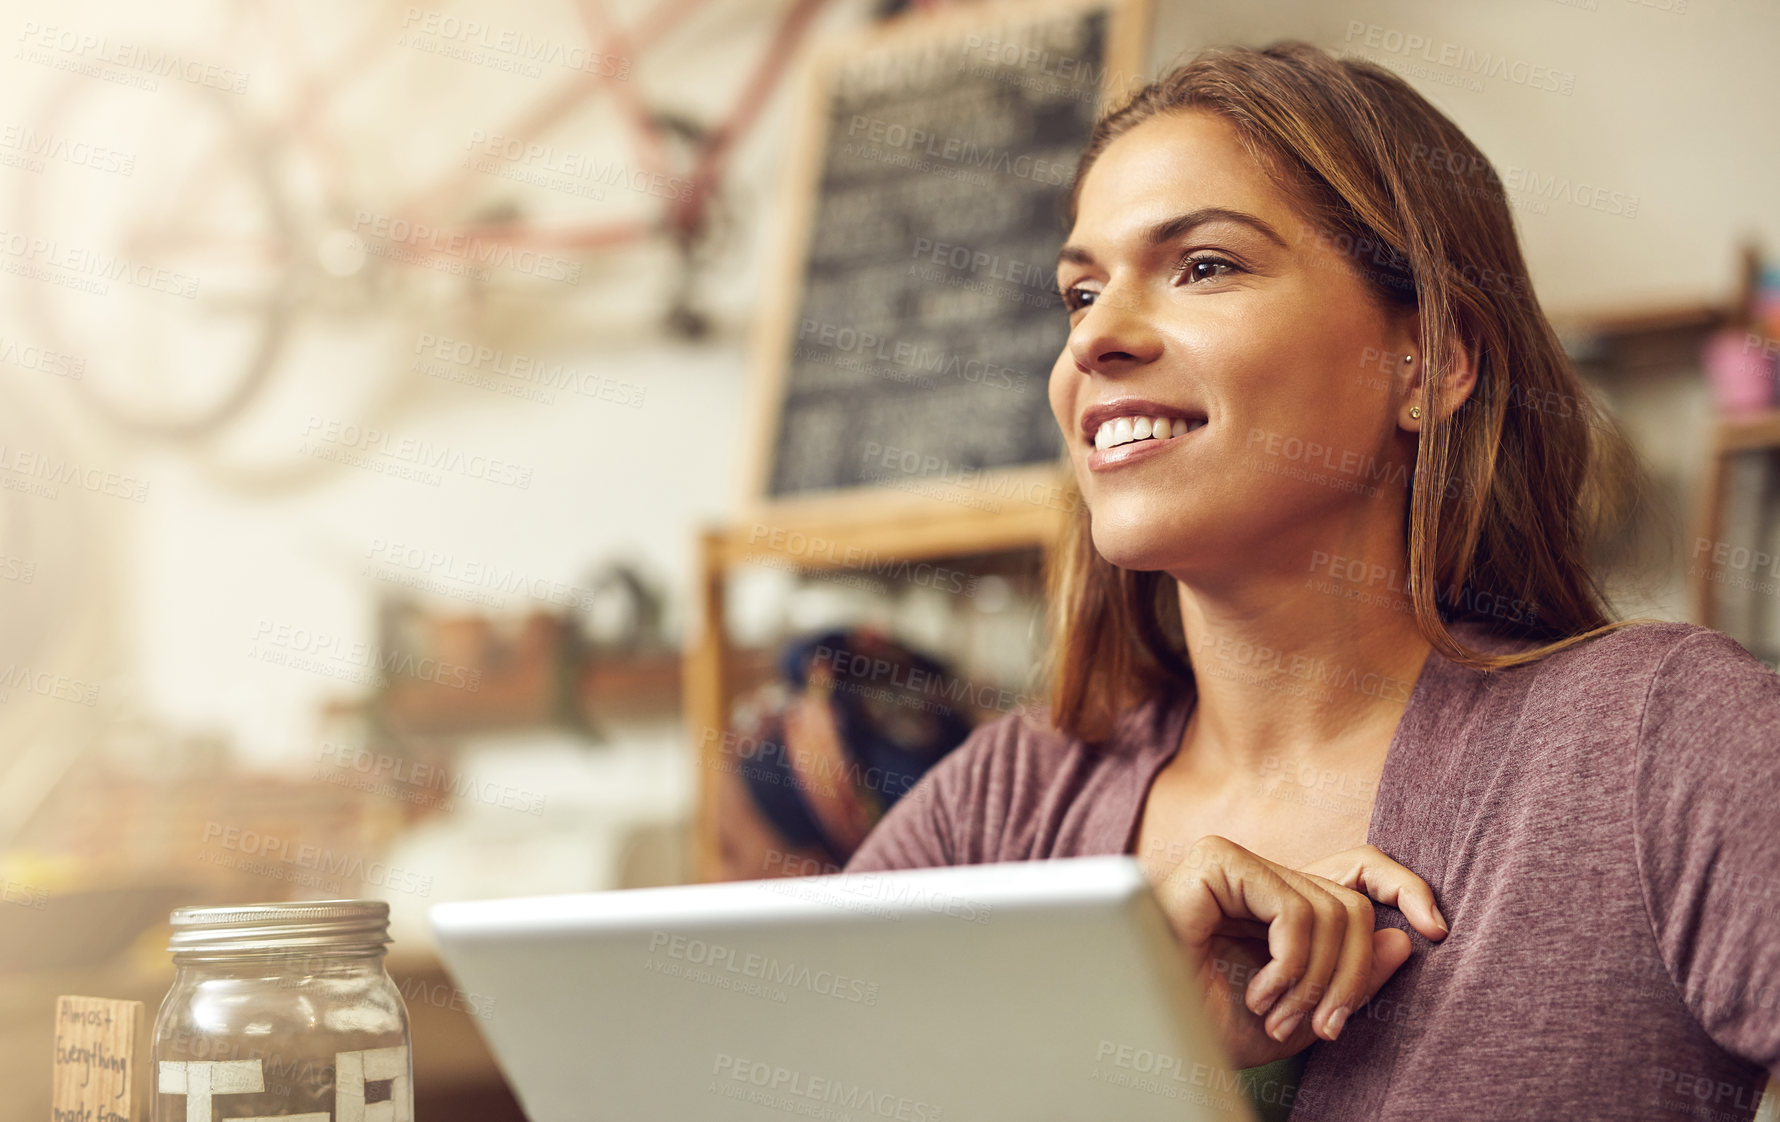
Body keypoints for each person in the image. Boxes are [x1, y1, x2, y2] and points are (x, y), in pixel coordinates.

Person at [844, 41, 1780, 1122]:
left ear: (1428, 361)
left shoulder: (1657, 739)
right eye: (1080, 292)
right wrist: (1141, 1044)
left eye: (1203, 266)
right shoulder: (1007, 805)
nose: (1096, 336)